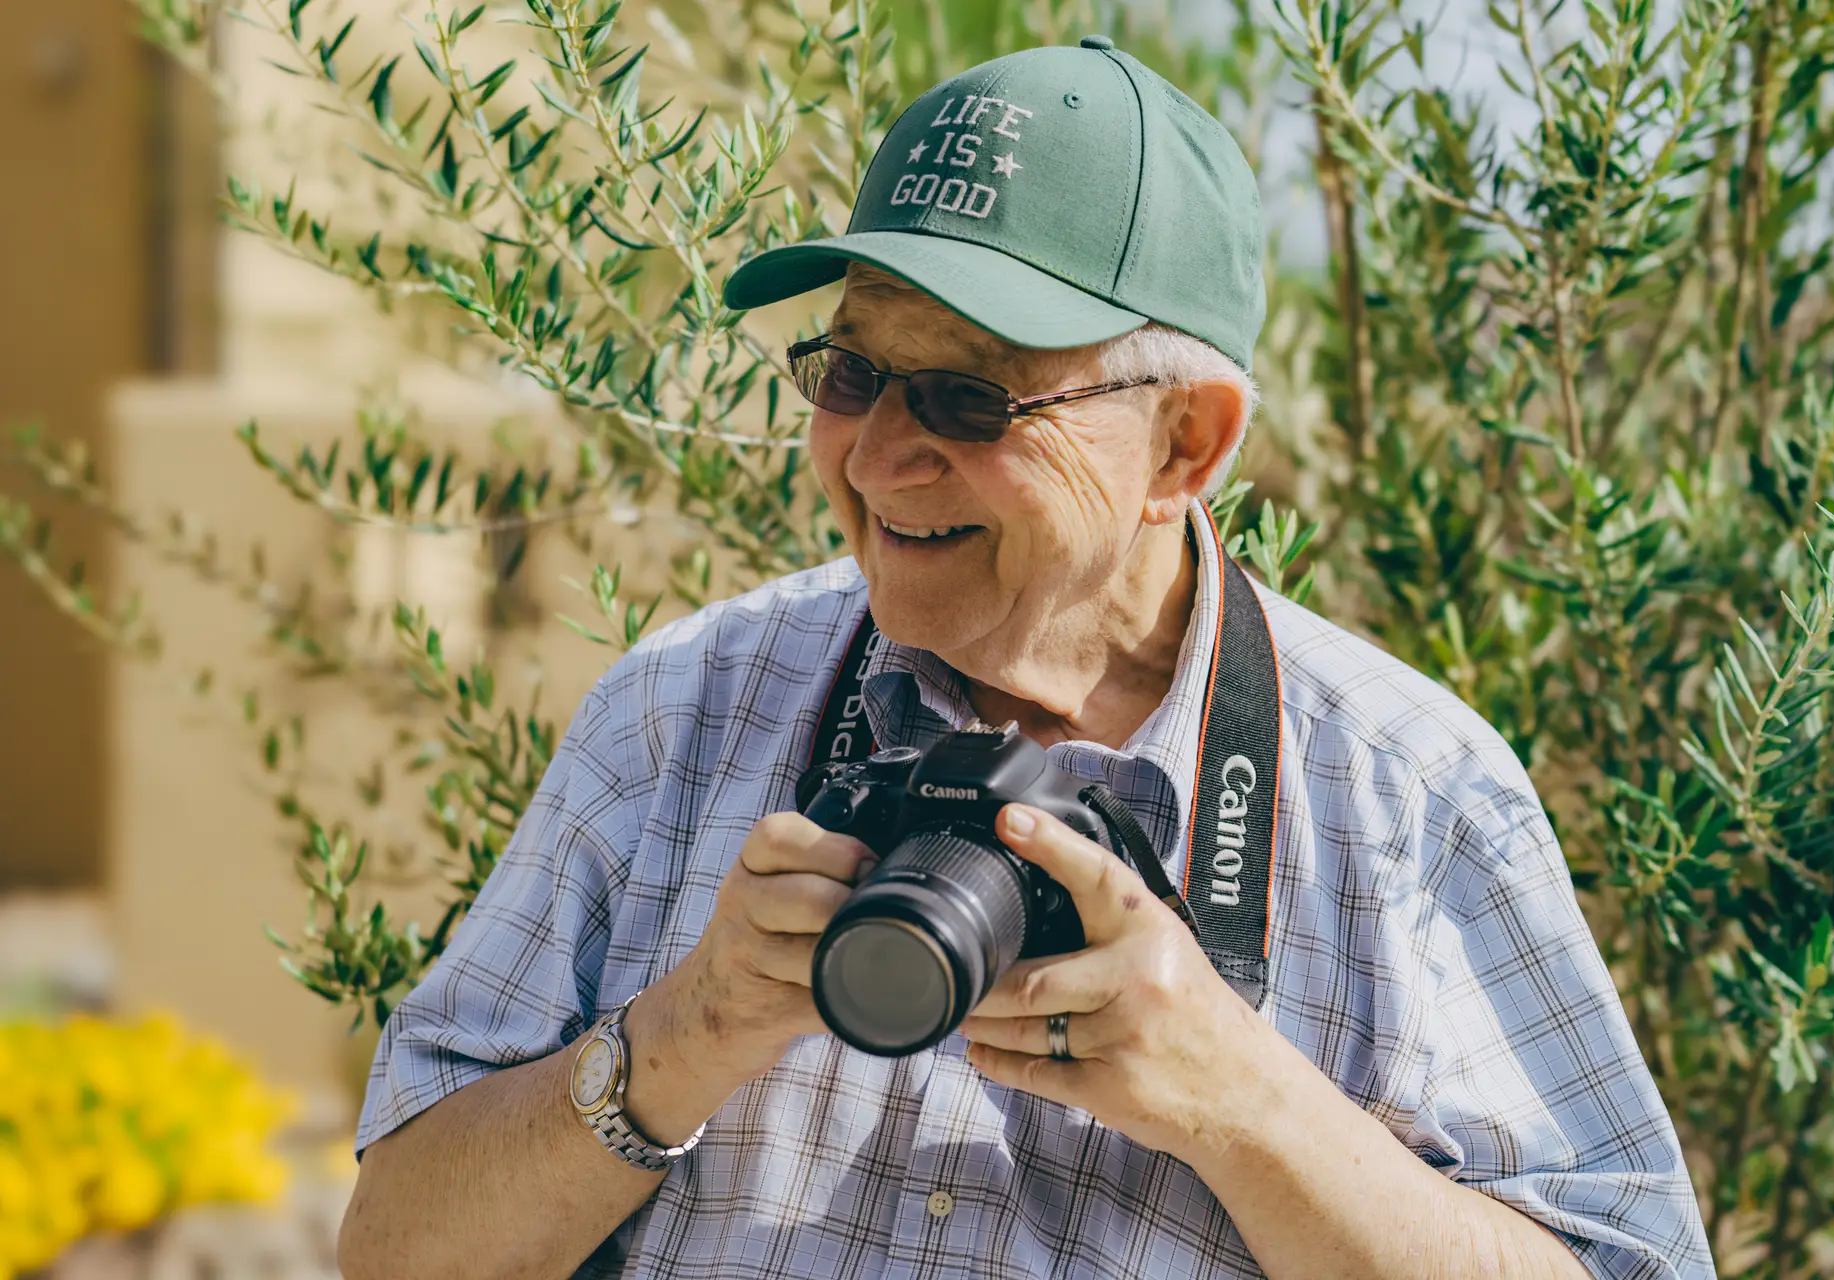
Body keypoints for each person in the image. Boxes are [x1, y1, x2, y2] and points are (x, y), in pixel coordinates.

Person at [337, 36, 1713, 1280]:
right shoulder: (677, 708)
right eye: (851, 374)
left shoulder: (1412, 791)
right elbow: (395, 1251)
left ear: (1185, 444)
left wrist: (1247, 1106)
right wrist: (681, 1037)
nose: (879, 457)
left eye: (968, 397)